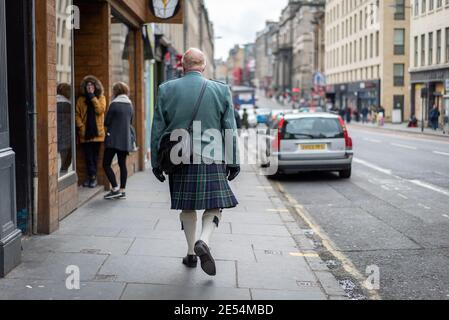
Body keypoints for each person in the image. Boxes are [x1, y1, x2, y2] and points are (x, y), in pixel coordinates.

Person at [151, 48, 240, 276]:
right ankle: (204, 240)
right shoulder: (221, 90)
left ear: (182, 65)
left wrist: (155, 162)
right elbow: (229, 128)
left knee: (187, 205)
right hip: (212, 155)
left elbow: (157, 129)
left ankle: (191, 253)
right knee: (214, 205)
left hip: (177, 156)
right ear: (204, 66)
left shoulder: (166, 89)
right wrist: (234, 160)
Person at [103, 82, 135, 200]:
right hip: (125, 140)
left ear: (116, 91)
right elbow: (131, 122)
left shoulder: (114, 104)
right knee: (122, 165)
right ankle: (122, 191)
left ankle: (115, 188)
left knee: (106, 164)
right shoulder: (130, 105)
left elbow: (106, 122)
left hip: (113, 139)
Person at [75, 75, 107, 188]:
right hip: (85, 134)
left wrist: (92, 97)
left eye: (91, 85)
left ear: (95, 86)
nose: (89, 87)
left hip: (97, 134)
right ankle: (92, 178)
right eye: (87, 85)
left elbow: (100, 110)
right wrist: (81, 127)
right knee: (88, 157)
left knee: (94, 157)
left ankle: (92, 178)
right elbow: (77, 115)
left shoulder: (101, 97)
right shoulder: (80, 100)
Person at [57, 83, 73, 175]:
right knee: (66, 161)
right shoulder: (69, 105)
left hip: (54, 136)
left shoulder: (51, 103)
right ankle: (63, 175)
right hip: (67, 137)